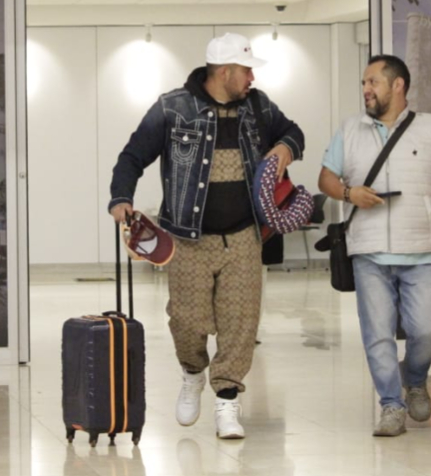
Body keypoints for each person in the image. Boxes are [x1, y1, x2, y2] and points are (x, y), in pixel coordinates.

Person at [109, 33, 305, 440]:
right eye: (246, 69)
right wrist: (120, 199)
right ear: (225, 71)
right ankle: (193, 373)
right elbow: (132, 156)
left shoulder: (258, 105)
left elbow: (294, 132)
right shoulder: (172, 108)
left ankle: (228, 402)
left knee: (240, 322)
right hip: (187, 239)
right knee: (186, 321)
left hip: (244, 237)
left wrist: (285, 148)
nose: (252, 77)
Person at [319, 54, 431, 437]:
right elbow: (326, 178)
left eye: (372, 82)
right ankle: (391, 406)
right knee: (377, 334)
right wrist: (348, 192)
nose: (366, 90)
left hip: (422, 248)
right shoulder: (350, 130)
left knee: (426, 327)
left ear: (398, 85)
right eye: (363, 83)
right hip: (369, 251)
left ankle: (416, 379)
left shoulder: (429, 129)